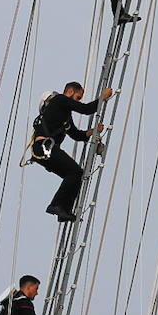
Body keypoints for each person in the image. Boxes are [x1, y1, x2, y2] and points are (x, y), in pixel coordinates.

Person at [29, 82, 116, 221]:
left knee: (76, 175)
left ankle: (63, 211)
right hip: (44, 147)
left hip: (45, 151)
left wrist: (92, 132)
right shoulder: (60, 100)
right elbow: (86, 109)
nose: (77, 101)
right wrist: (102, 98)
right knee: (75, 172)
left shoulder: (65, 117)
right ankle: (56, 205)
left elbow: (76, 135)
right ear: (69, 91)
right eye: (77, 97)